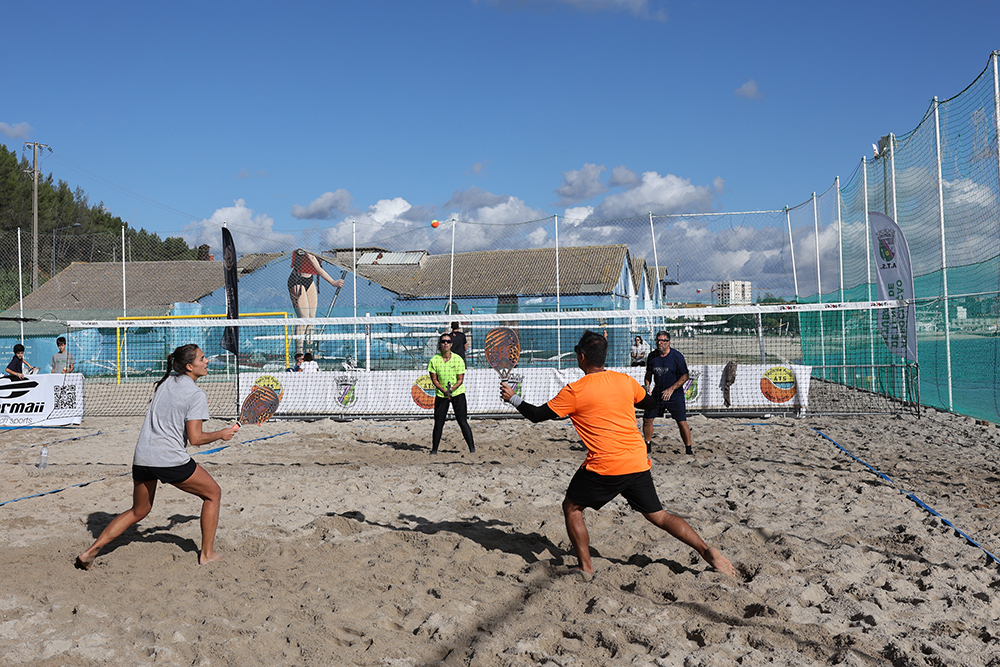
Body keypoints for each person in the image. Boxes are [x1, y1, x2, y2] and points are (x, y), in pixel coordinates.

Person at [499, 330, 734, 577]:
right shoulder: (624, 381)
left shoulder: (575, 391)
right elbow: (650, 404)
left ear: (581, 357)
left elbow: (536, 416)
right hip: (637, 460)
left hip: (605, 466)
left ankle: (585, 567)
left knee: (571, 507)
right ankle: (707, 551)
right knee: (660, 516)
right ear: (603, 358)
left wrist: (513, 398)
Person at [75, 344, 238, 569]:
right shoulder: (196, 394)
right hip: (169, 460)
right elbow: (196, 439)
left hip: (142, 458)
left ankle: (89, 552)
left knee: (138, 511)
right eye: (202, 358)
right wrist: (222, 434)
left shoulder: (166, 383)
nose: (207, 361)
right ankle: (207, 554)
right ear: (190, 366)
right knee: (213, 494)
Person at [643, 330, 694, 455]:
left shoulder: (677, 357)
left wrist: (671, 389)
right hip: (657, 394)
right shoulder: (652, 356)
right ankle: (648, 446)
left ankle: (688, 448)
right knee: (647, 419)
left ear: (668, 342)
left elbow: (685, 376)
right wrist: (647, 386)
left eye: (663, 341)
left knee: (682, 422)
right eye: (658, 340)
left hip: (675, 394)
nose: (660, 343)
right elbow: (648, 374)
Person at [287, 249, 345, 355]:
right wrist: (333, 282)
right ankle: (299, 354)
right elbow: (317, 268)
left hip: (309, 280)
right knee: (303, 318)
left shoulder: (319, 250)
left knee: (312, 319)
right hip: (296, 280)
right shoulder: (306, 250)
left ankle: (309, 353)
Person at [427, 333, 475, 455]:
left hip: (457, 393)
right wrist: (444, 390)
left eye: (448, 341)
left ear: (452, 344)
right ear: (440, 344)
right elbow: (434, 379)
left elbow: (460, 380)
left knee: (462, 421)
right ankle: (434, 450)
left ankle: (472, 449)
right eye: (443, 341)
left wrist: (451, 389)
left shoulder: (458, 359)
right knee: (438, 423)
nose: (446, 343)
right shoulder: (434, 360)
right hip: (441, 394)